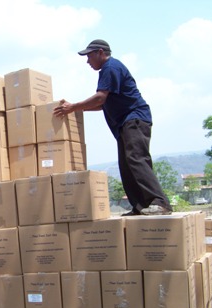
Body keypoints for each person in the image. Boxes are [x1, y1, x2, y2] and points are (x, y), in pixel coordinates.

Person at [53, 39, 172, 216]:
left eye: (89, 56)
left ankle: (159, 203)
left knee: (137, 158)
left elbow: (100, 98)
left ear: (101, 52)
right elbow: (103, 104)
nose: (87, 61)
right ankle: (139, 206)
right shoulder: (107, 70)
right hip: (125, 123)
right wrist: (76, 109)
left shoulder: (111, 67)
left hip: (135, 119)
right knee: (126, 164)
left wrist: (74, 107)